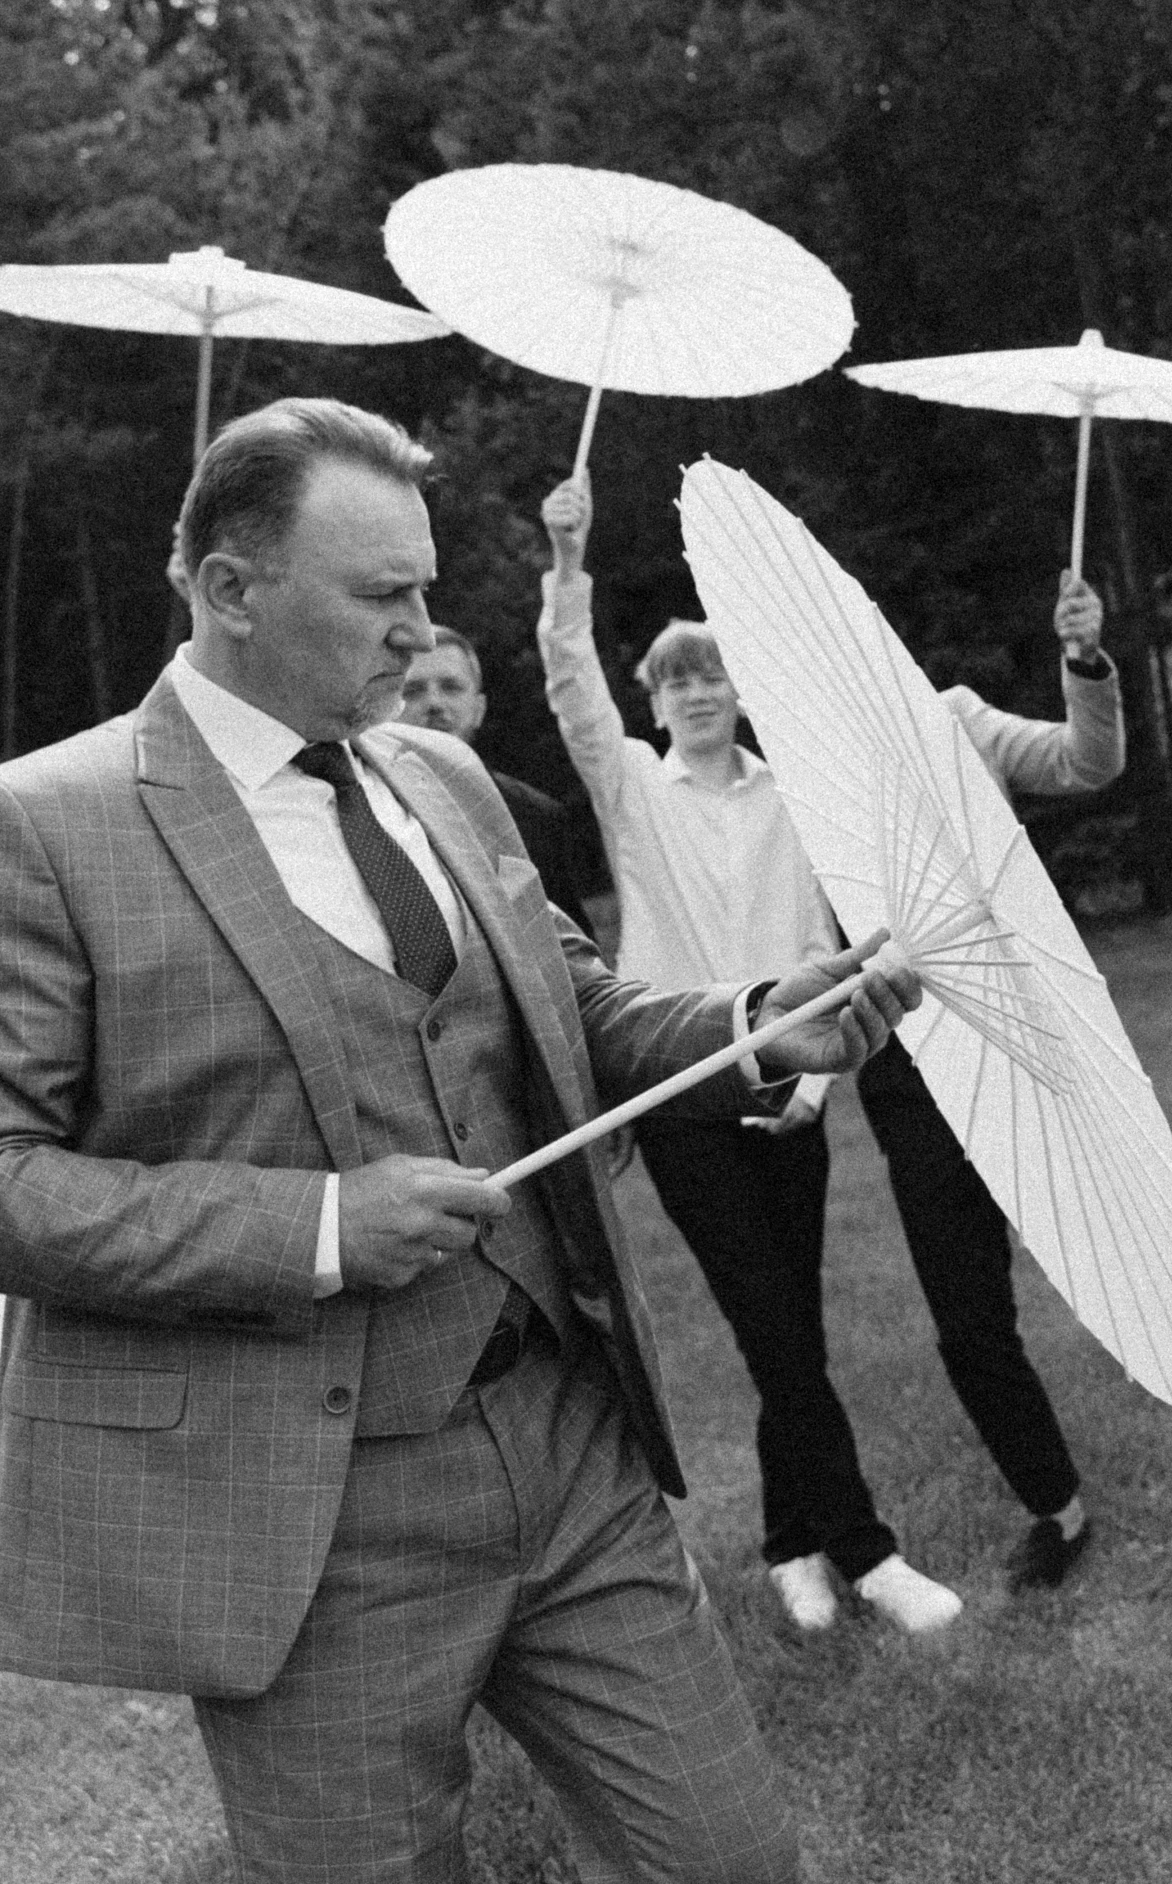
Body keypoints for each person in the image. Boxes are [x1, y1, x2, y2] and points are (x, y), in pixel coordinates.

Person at [0, 398, 922, 1884]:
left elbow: (574, 1007)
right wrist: (316, 1229)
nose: (421, 630)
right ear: (230, 589)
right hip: (306, 1515)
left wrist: (755, 1022)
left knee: (735, 1861)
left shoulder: (444, 776)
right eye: (383, 594)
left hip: (567, 1442)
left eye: (424, 587)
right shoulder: (46, 826)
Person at [536, 474, 963, 1639]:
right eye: (674, 680)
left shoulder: (794, 798)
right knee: (772, 1329)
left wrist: (815, 1084)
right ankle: (869, 1552)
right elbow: (571, 688)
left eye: (712, 676)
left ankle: (790, 1546)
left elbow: (824, 949)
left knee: (795, 1332)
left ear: (740, 691)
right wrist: (568, 563)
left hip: (789, 1096)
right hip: (681, 1096)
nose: (695, 694)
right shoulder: (633, 787)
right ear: (654, 701)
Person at [853, 578, 1172, 1584]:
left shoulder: (957, 719)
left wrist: (1085, 661)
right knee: (967, 1313)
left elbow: (1086, 760)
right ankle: (1054, 1511)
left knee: (1135, 1219)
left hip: (1023, 1027)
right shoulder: (810, 782)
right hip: (907, 1069)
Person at [401, 623, 598, 937]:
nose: (434, 703)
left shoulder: (536, 816)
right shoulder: (360, 812)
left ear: (479, 709)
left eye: (451, 687)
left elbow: (571, 948)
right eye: (413, 691)